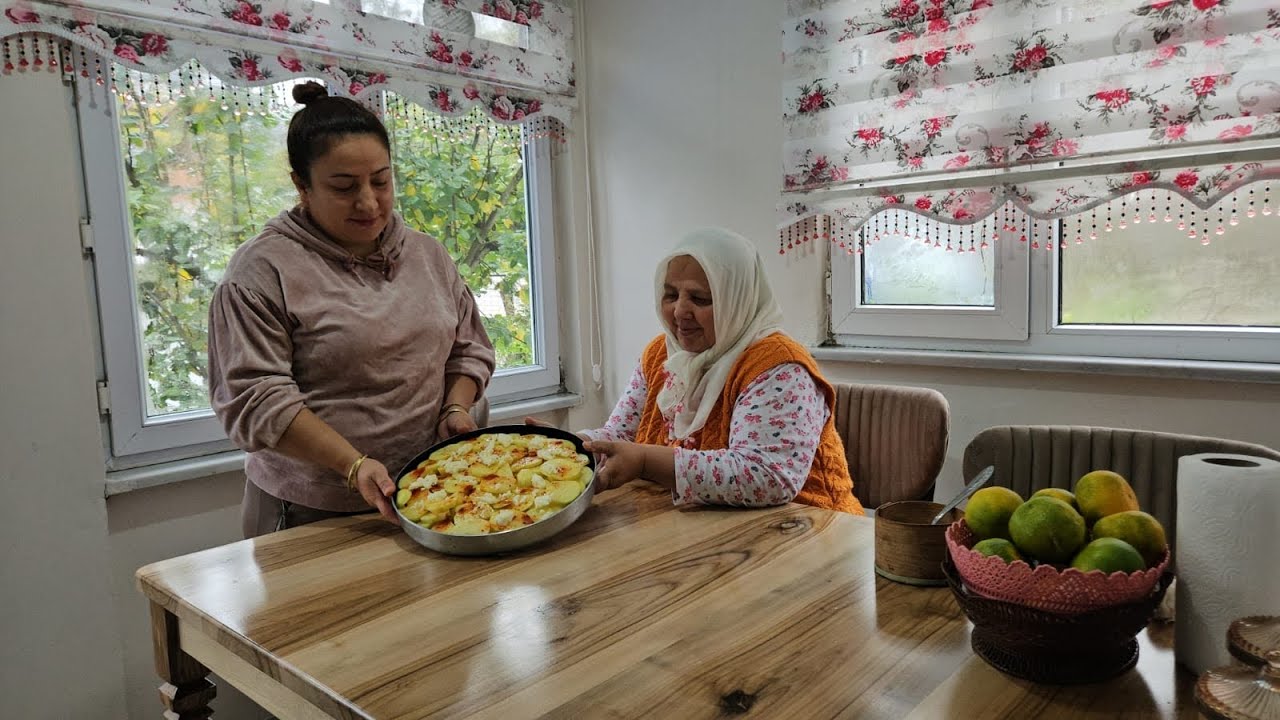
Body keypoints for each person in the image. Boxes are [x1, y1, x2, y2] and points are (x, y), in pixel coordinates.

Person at [208, 81, 496, 538]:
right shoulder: (262, 270)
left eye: (381, 181)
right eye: (344, 187)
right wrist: (352, 465)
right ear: (301, 185)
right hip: (313, 510)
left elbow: (468, 348)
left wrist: (454, 410)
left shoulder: (427, 254)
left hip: (433, 491)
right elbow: (255, 398)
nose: (368, 202)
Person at [533, 227, 864, 514]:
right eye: (671, 294)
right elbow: (623, 435)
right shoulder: (659, 354)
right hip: (695, 526)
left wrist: (646, 462)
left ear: (737, 299)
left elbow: (767, 477)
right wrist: (571, 446)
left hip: (808, 532)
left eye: (700, 299)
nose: (679, 311)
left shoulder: (779, 365)